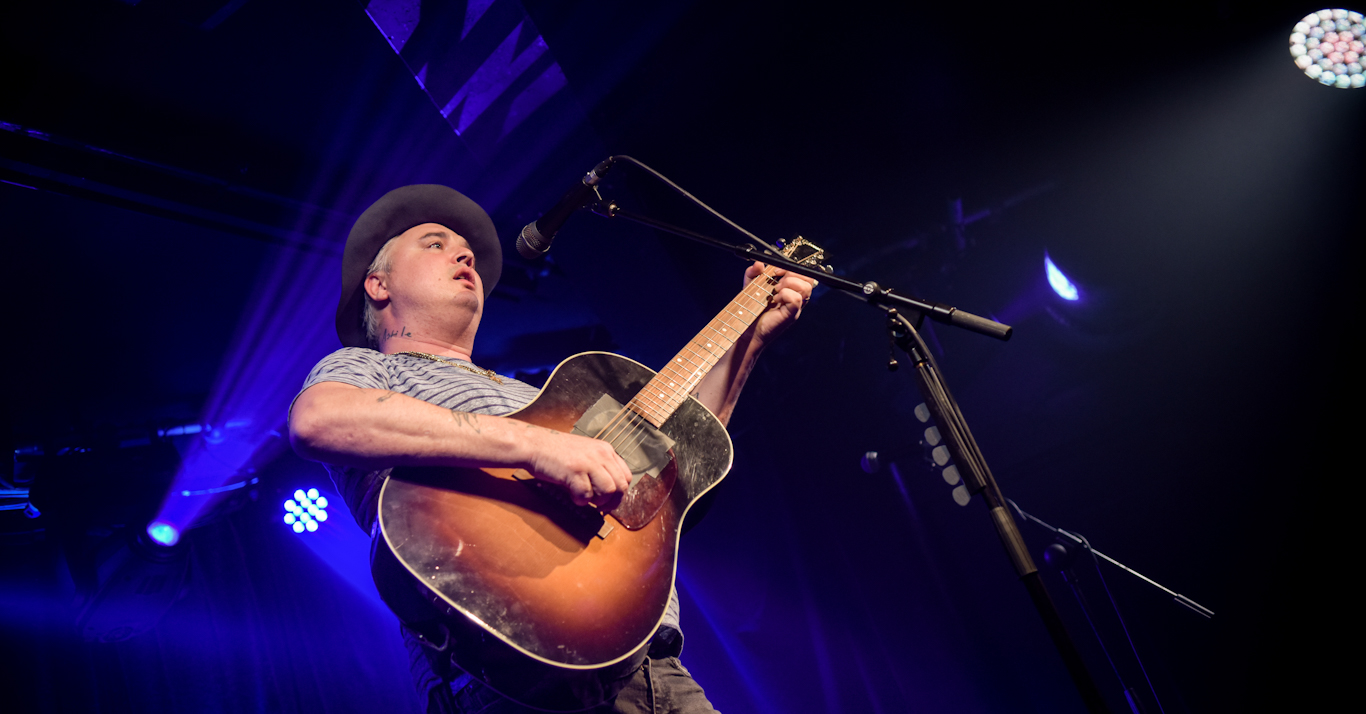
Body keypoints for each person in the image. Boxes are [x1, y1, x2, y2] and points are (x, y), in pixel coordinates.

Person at [289, 184, 814, 713]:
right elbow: (319, 420)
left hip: (651, 667)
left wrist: (751, 335)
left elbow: (675, 467)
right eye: (434, 244)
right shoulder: (367, 368)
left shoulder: (539, 395)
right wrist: (536, 447)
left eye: (463, 247)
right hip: (505, 670)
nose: (465, 253)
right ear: (378, 285)